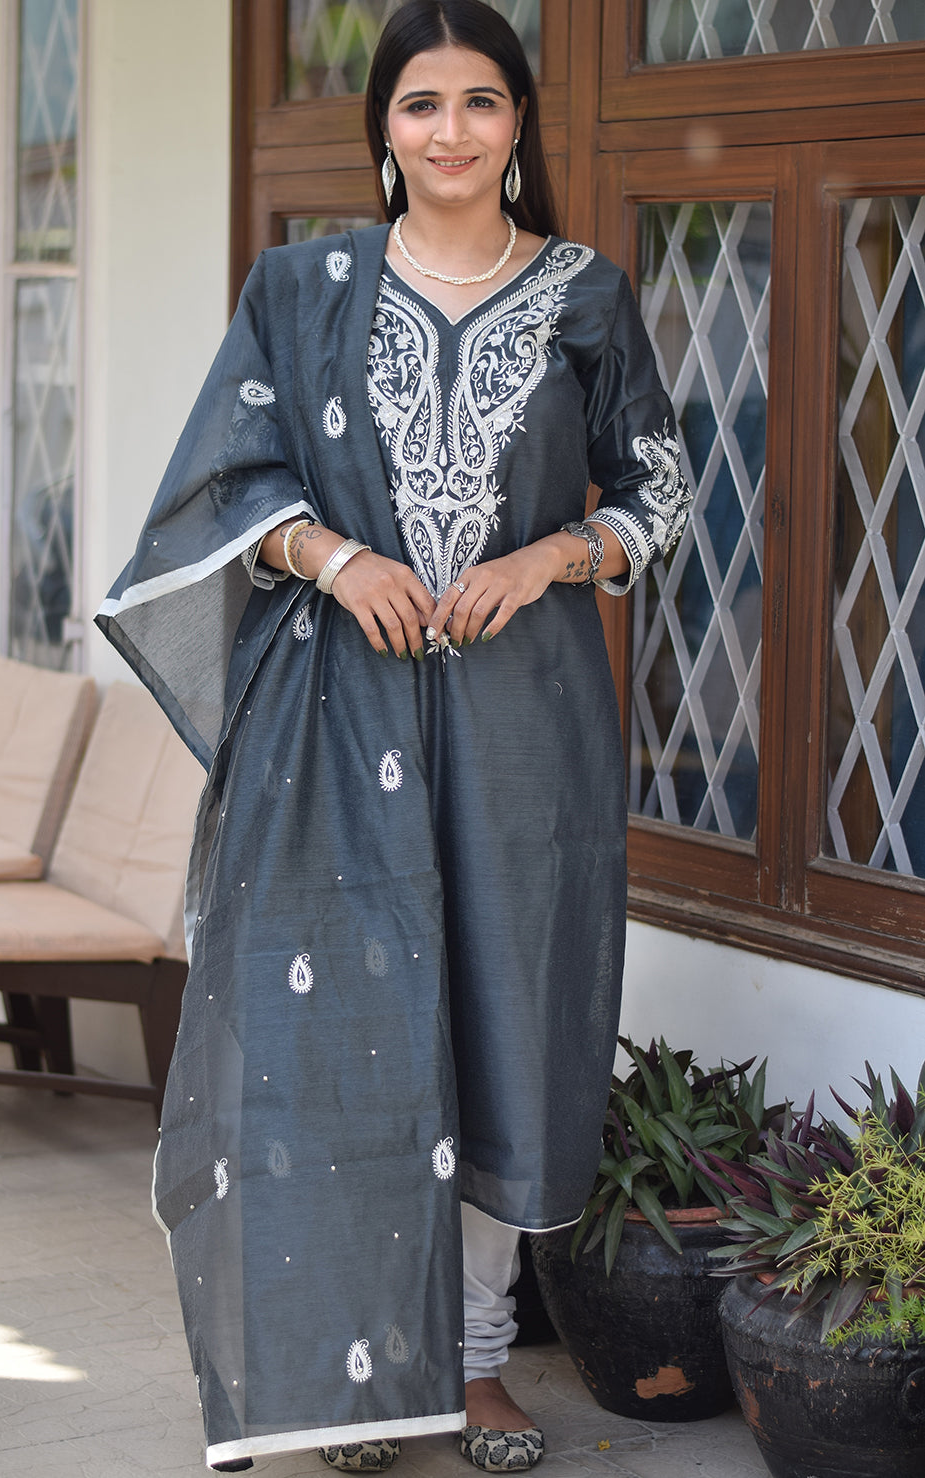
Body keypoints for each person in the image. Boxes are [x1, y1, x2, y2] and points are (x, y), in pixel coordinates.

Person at [97, 2, 691, 1472]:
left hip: (520, 724)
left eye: (478, 102)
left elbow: (661, 486)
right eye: (419, 104)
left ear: (517, 125)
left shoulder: (585, 297)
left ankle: (477, 1368)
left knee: (501, 1020)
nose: (449, 131)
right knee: (333, 1033)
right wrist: (330, 557)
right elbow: (221, 479)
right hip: (338, 717)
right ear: (381, 129)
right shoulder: (299, 292)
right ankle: (350, 1373)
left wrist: (550, 555)